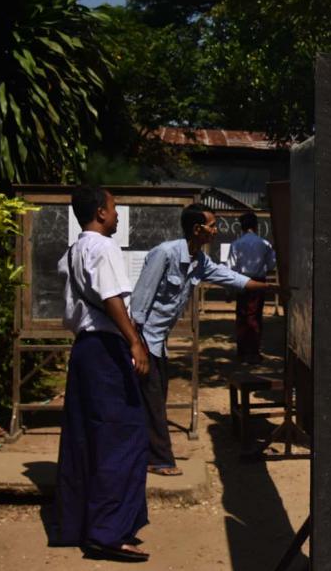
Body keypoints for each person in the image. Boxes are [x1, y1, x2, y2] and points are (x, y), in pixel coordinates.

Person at [130, 203, 274, 476]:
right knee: (152, 399)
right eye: (212, 225)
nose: (216, 230)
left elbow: (230, 277)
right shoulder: (165, 254)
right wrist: (136, 344)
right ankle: (160, 459)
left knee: (155, 399)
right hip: (144, 339)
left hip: (158, 342)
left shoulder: (200, 261)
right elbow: (139, 302)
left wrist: (269, 287)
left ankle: (144, 454)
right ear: (197, 229)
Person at [54, 186, 151, 562]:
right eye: (114, 208)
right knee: (122, 436)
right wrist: (135, 343)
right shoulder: (105, 248)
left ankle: (81, 523)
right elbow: (112, 298)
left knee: (85, 437)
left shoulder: (74, 250)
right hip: (107, 349)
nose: (118, 215)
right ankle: (108, 532)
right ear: (100, 212)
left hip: (84, 349)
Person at [227, 211, 277, 365]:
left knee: (242, 316)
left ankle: (242, 352)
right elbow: (271, 265)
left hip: (241, 281)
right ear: (256, 226)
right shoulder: (265, 244)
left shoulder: (236, 244)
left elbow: (231, 267)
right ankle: (253, 353)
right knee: (255, 316)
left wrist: (229, 289)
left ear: (241, 227)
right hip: (258, 282)